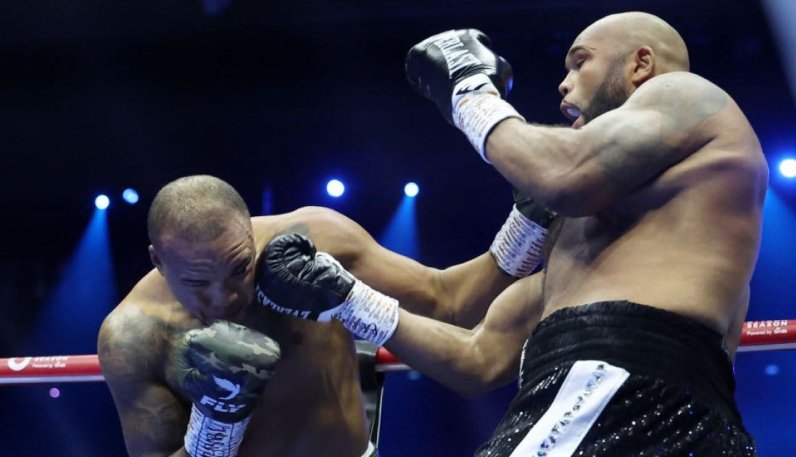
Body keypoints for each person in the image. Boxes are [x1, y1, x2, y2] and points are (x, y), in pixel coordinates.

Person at [264, 11, 767, 456]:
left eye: (580, 62)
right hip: (620, 400)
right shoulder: (602, 233)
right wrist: (347, 299)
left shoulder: (685, 94)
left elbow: (563, 176)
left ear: (639, 65)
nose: (563, 84)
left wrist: (469, 92)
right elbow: (477, 358)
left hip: (620, 389)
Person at [97, 174, 554, 457]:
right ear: (158, 260)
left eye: (240, 268)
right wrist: (216, 420)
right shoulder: (136, 334)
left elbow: (450, 301)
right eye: (197, 282)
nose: (223, 297)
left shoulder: (314, 240)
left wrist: (534, 215)